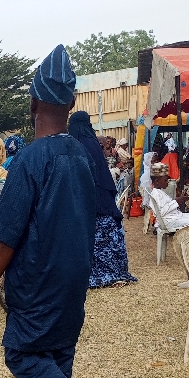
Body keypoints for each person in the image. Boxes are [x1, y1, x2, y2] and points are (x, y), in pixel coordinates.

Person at [0, 45, 118, 378]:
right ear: (71, 103)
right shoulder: (83, 155)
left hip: (38, 274)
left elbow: (6, 236)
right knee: (58, 349)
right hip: (75, 270)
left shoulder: (29, 160)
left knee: (21, 354)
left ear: (33, 103)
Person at [68, 111, 136, 288]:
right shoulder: (92, 143)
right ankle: (110, 272)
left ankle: (94, 274)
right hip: (103, 202)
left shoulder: (75, 144)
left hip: (87, 203)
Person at [149, 163, 189, 230]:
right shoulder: (156, 194)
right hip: (168, 222)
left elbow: (167, 206)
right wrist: (176, 202)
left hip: (173, 218)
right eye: (165, 180)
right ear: (157, 181)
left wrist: (180, 200)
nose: (167, 182)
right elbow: (160, 212)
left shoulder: (159, 192)